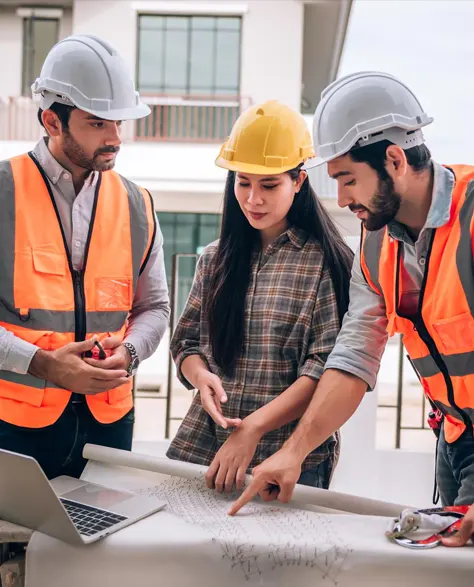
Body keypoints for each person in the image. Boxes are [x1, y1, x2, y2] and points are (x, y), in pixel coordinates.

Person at [229, 71, 474, 546]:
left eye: (347, 179)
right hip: (455, 437)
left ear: (394, 159)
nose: (340, 199)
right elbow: (354, 357)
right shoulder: (374, 241)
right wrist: (295, 452)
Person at [0, 35, 170, 479]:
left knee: (101, 544)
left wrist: (130, 351)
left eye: (119, 123)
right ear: (52, 121)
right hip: (12, 427)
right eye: (98, 123)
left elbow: (154, 308)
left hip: (109, 425)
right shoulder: (1, 193)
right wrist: (42, 364)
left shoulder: (138, 204)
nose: (115, 138)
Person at [166, 100, 354, 493]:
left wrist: (253, 428)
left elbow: (323, 369)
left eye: (269, 185)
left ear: (299, 181)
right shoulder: (215, 259)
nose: (253, 199)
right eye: (243, 182)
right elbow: (185, 343)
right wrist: (201, 379)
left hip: (288, 459)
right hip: (207, 448)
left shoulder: (326, 264)